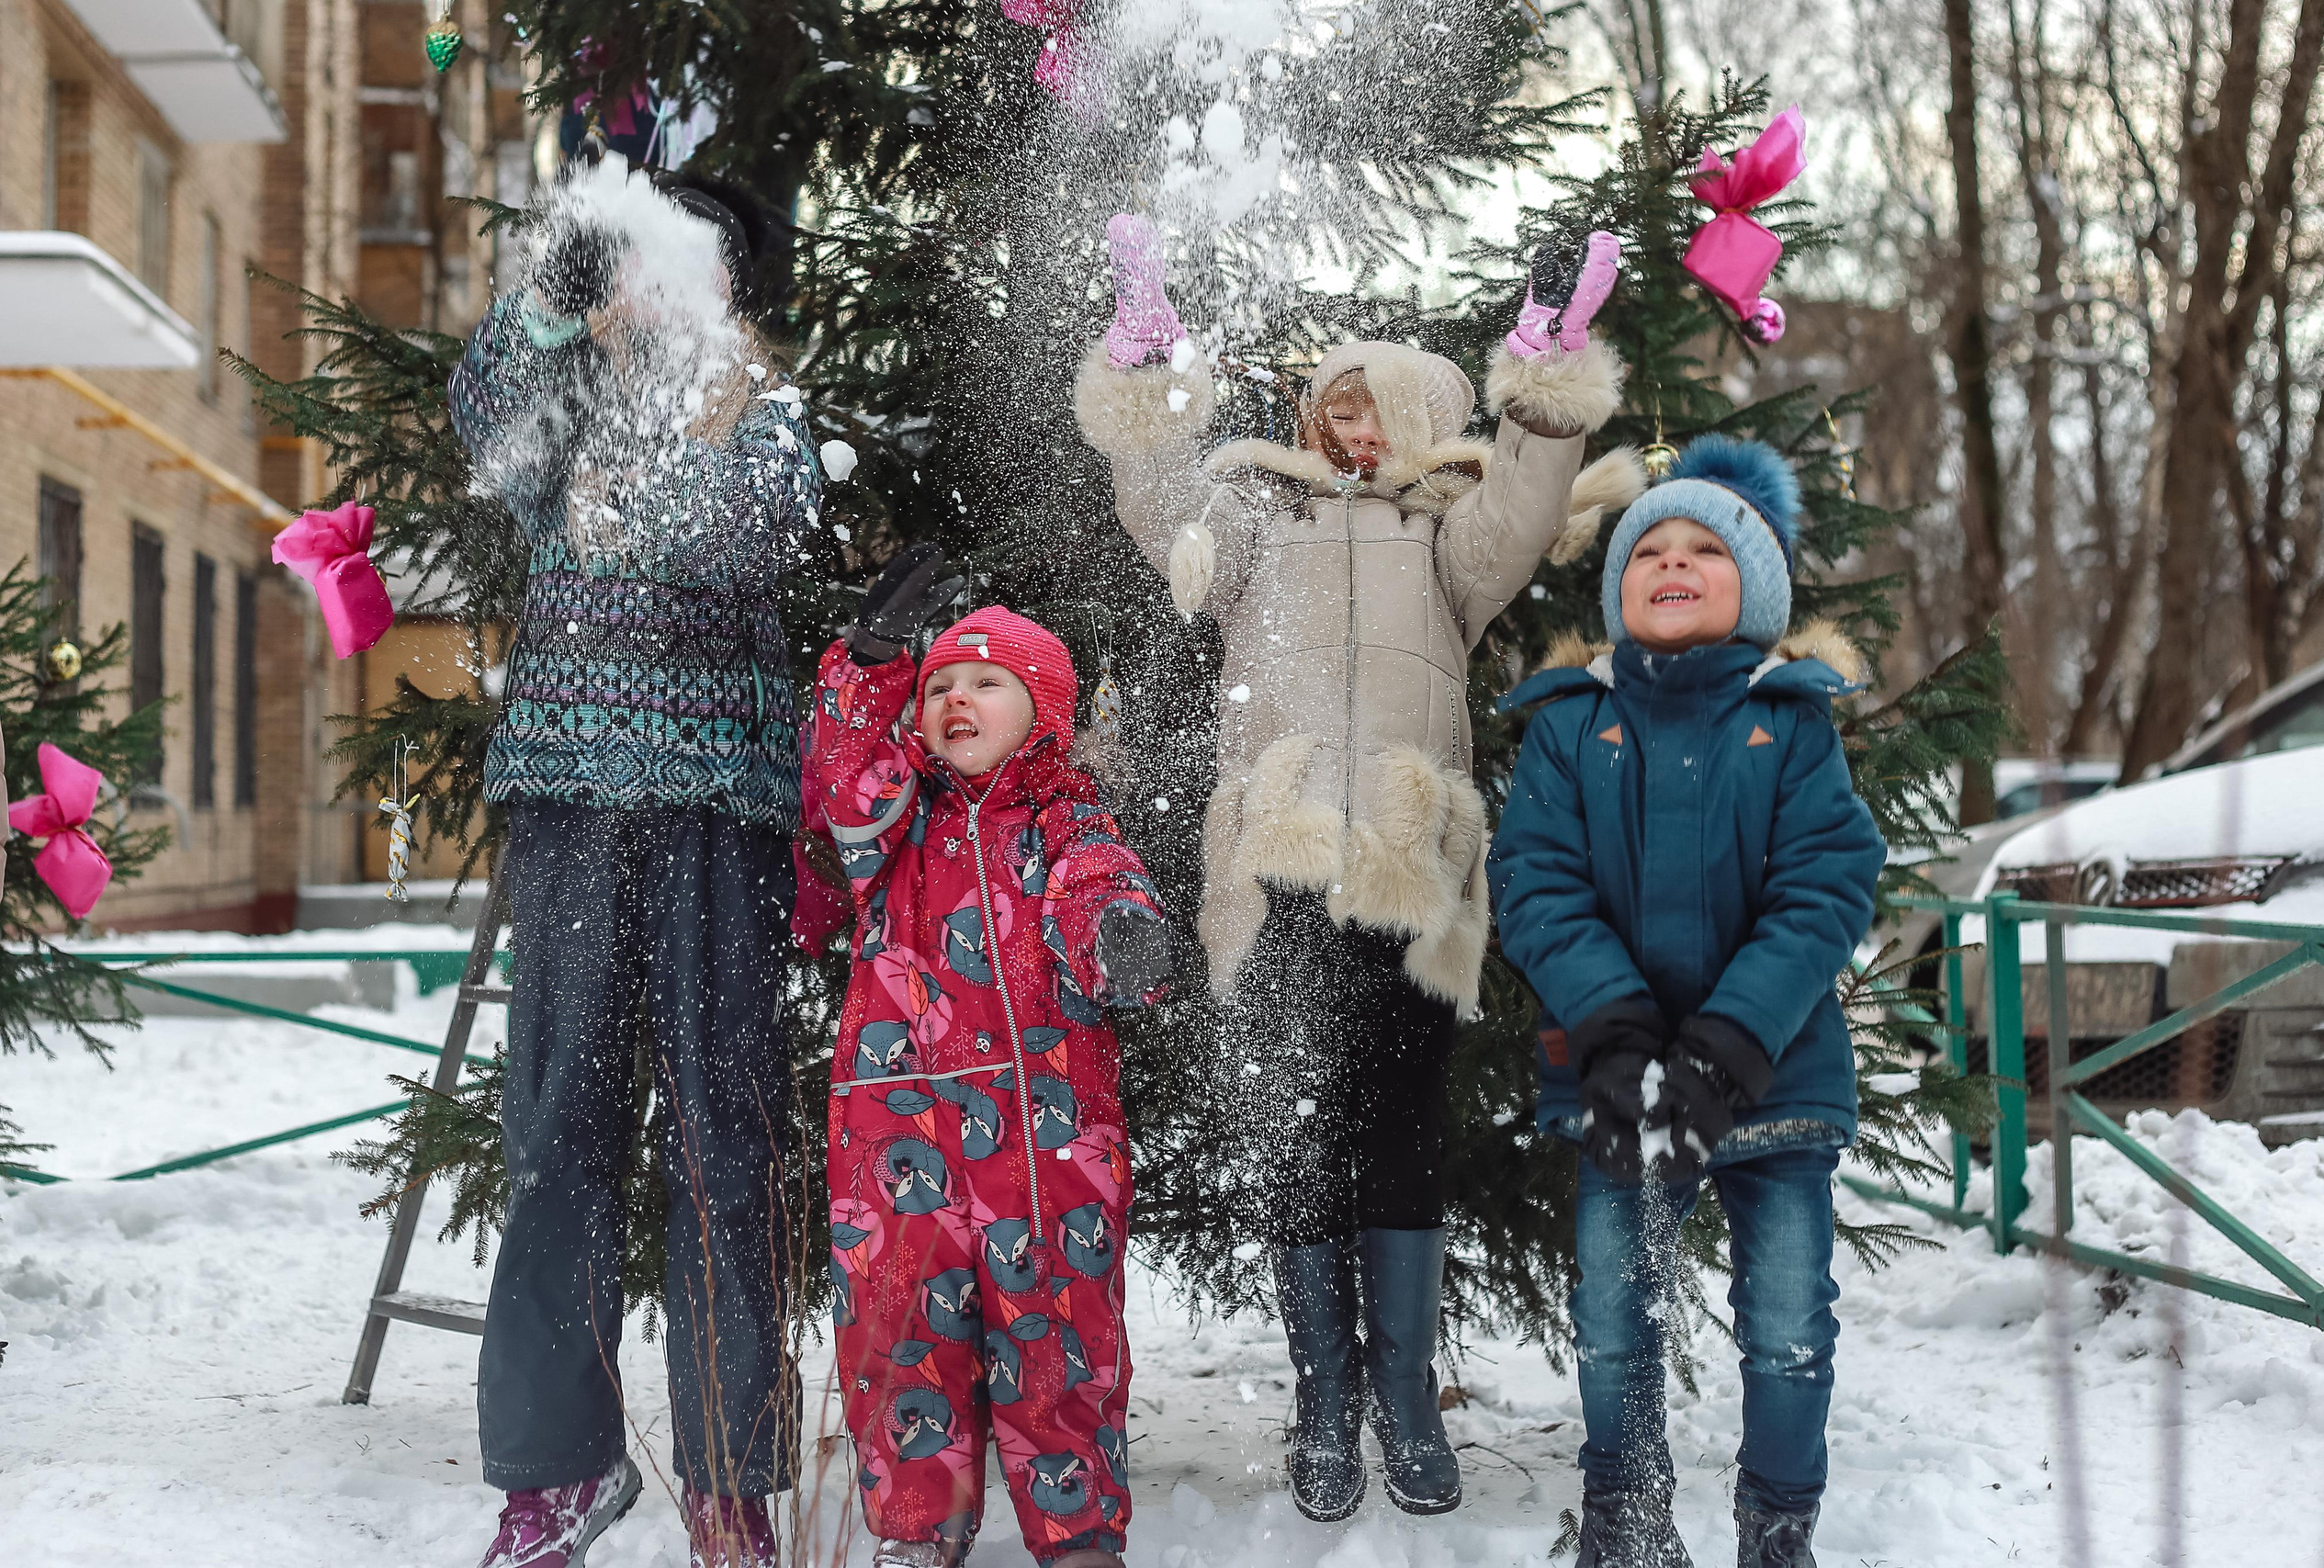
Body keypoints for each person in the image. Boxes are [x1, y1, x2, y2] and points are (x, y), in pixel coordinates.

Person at [1072, 219, 1644, 1521]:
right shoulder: (1250, 525)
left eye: (1375, 410)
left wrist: (1546, 371)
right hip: (1275, 868)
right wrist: (1153, 381)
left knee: (1397, 1135)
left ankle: (1399, 1393)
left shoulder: (1450, 547)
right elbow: (1158, 503)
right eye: (1333, 410)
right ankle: (1323, 1395)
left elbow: (1523, 498)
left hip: (1404, 868)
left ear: (1426, 416)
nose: (1350, 432)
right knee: (1296, 1137)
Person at [446, 166, 827, 1568]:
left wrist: (660, 445)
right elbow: (482, 426)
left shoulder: (771, 415)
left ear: (734, 286)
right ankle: (553, 1468)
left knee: (727, 1141)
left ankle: (731, 1476)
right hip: (567, 799)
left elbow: (737, 541)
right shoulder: (567, 403)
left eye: (702, 266)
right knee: (557, 1131)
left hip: (716, 805)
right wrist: (550, 306)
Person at [1485, 435, 1888, 1568]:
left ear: (1751, 586)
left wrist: (1725, 1045)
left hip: (1772, 1074)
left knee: (1787, 1325)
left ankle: (1776, 1527)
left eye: (1704, 547)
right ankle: (1625, 1515)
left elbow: (1823, 889)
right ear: (1617, 590)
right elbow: (1535, 883)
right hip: (1615, 1080)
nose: (1671, 560)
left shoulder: (1790, 724)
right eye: (1646, 548)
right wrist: (1612, 1032)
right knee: (1615, 1326)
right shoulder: (1570, 726)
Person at [808, 548, 1173, 1568]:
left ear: (1044, 711)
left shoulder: (1066, 819)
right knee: (897, 1334)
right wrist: (870, 667)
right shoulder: (895, 823)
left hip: (1048, 1140)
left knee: (1061, 1341)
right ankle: (918, 1530)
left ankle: (1077, 1531)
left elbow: (1105, 883)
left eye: (987, 682)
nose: (954, 699)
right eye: (940, 687)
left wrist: (1122, 933)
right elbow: (842, 776)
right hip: (899, 1131)